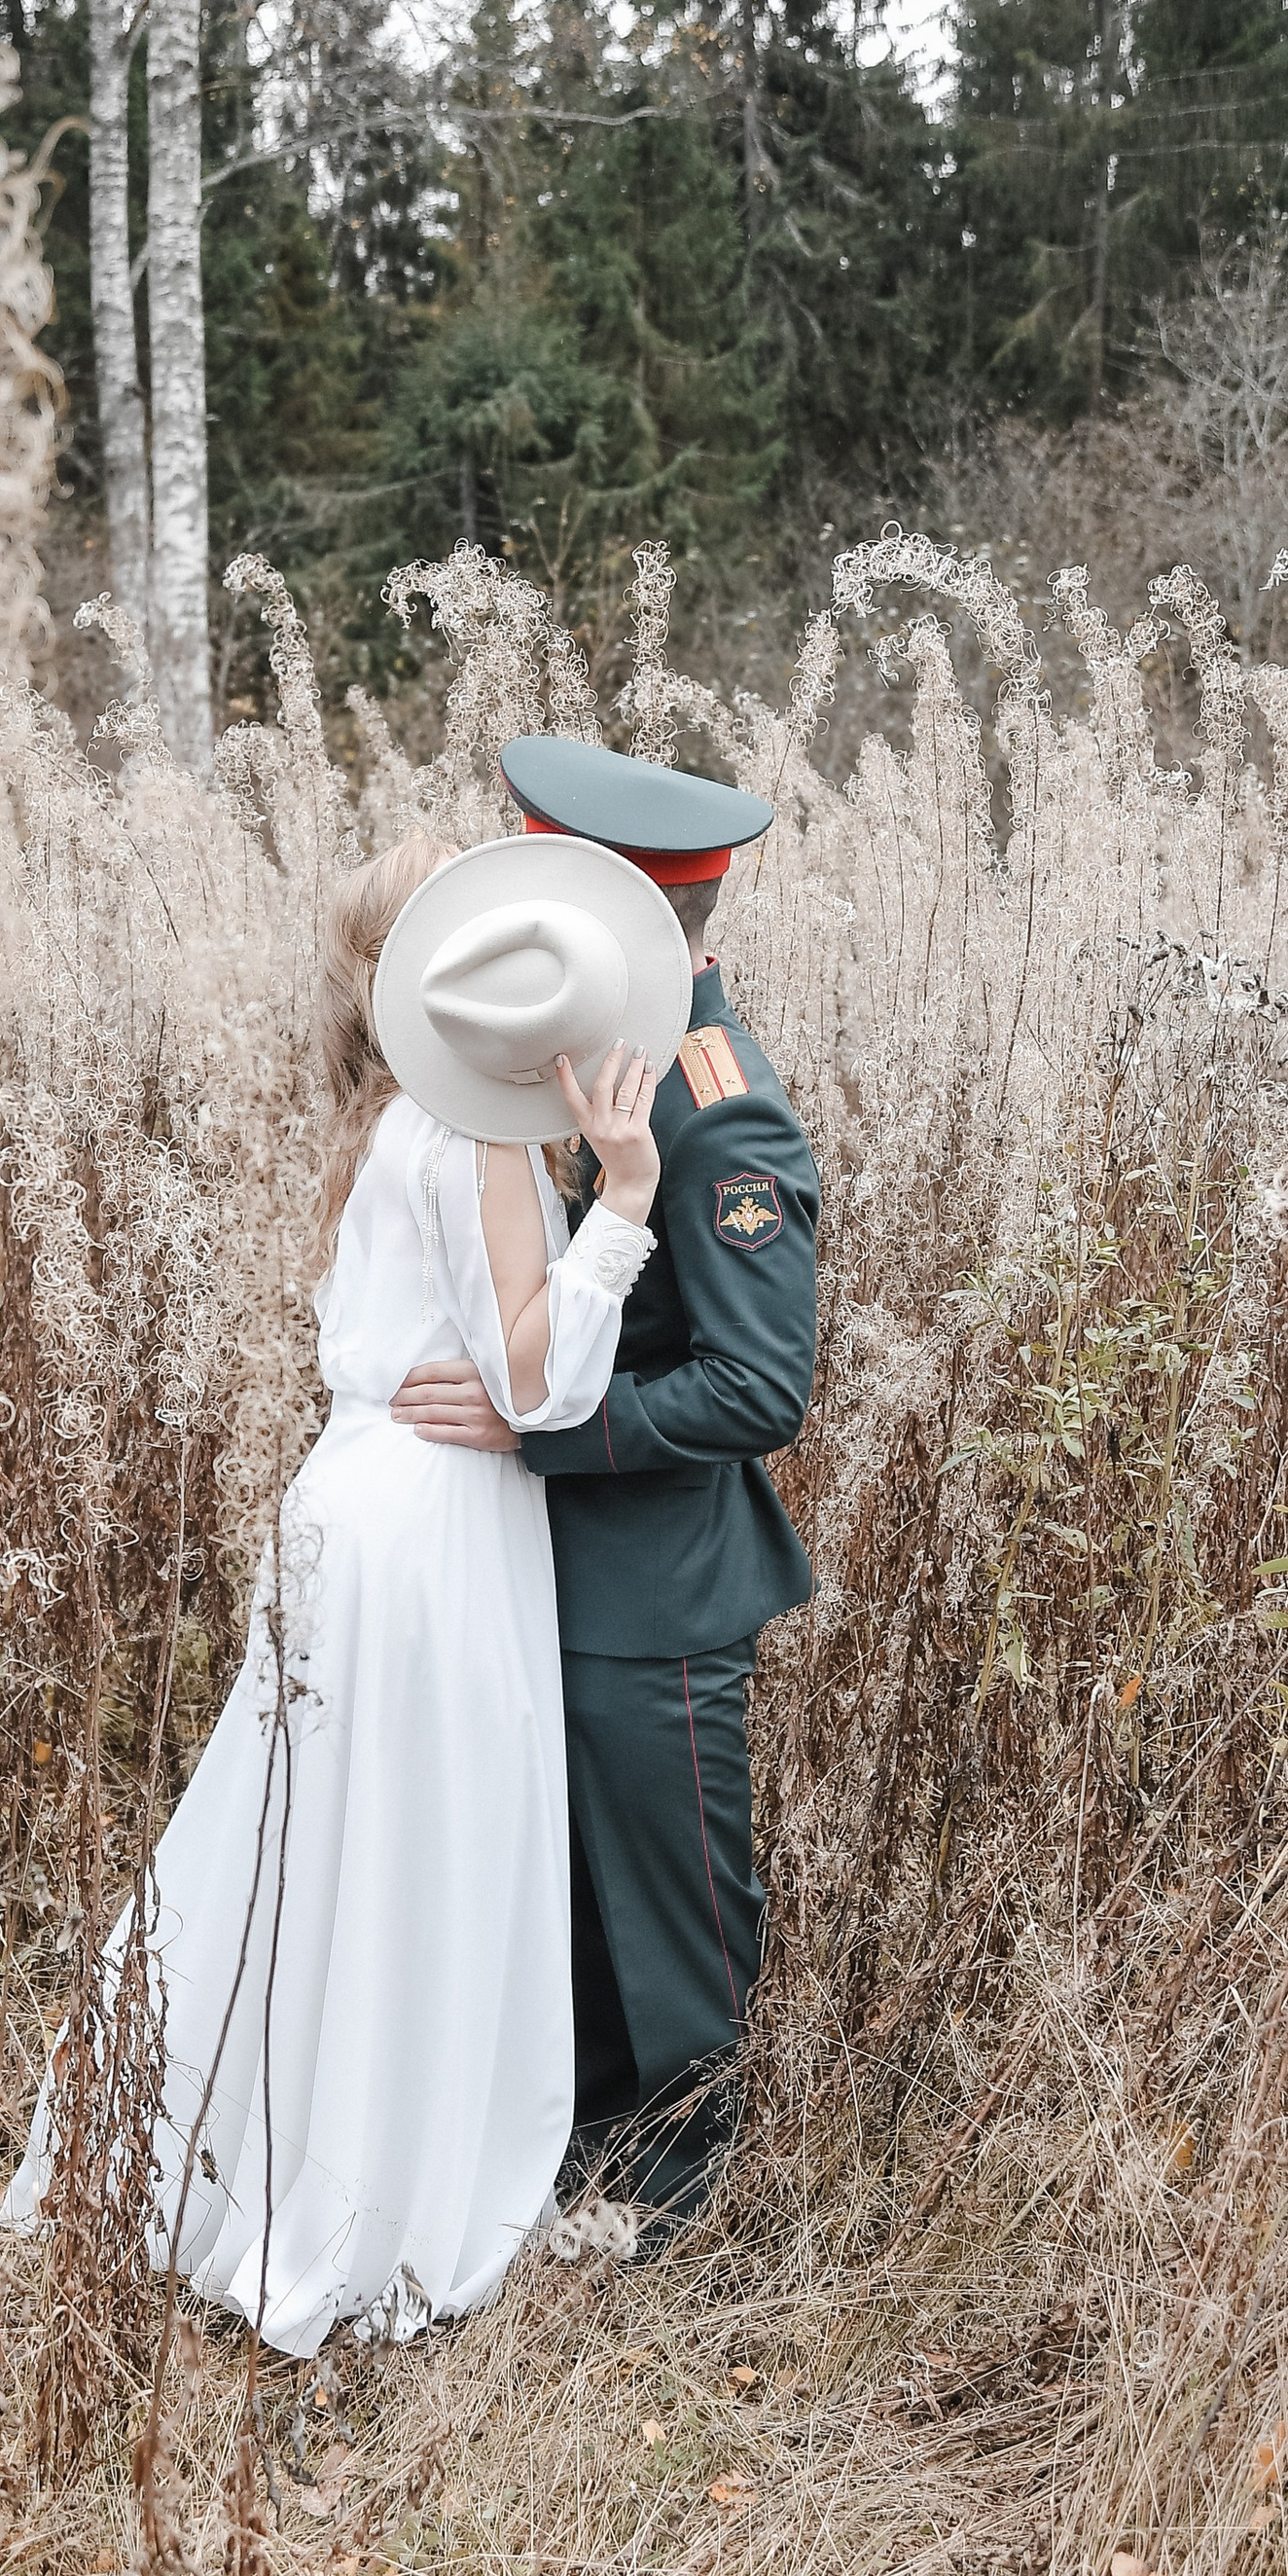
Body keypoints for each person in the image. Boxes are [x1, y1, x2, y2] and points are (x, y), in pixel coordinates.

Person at [2, 823, 687, 2357]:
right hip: (433, 1527)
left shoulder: (387, 1125)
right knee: (413, 1850)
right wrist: (628, 1199)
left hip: (356, 1501)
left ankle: (218, 2155)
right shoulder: (484, 1139)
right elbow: (541, 1379)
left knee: (308, 1840)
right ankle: (376, 2198)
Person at [392, 735, 820, 2232]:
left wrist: (540, 1430)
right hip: (563, 1577)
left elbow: (760, 1387)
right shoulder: (603, 1065)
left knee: (674, 1903)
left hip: (660, 1596)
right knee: (572, 1901)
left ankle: (693, 2217)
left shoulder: (721, 1111)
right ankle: (585, 2177)